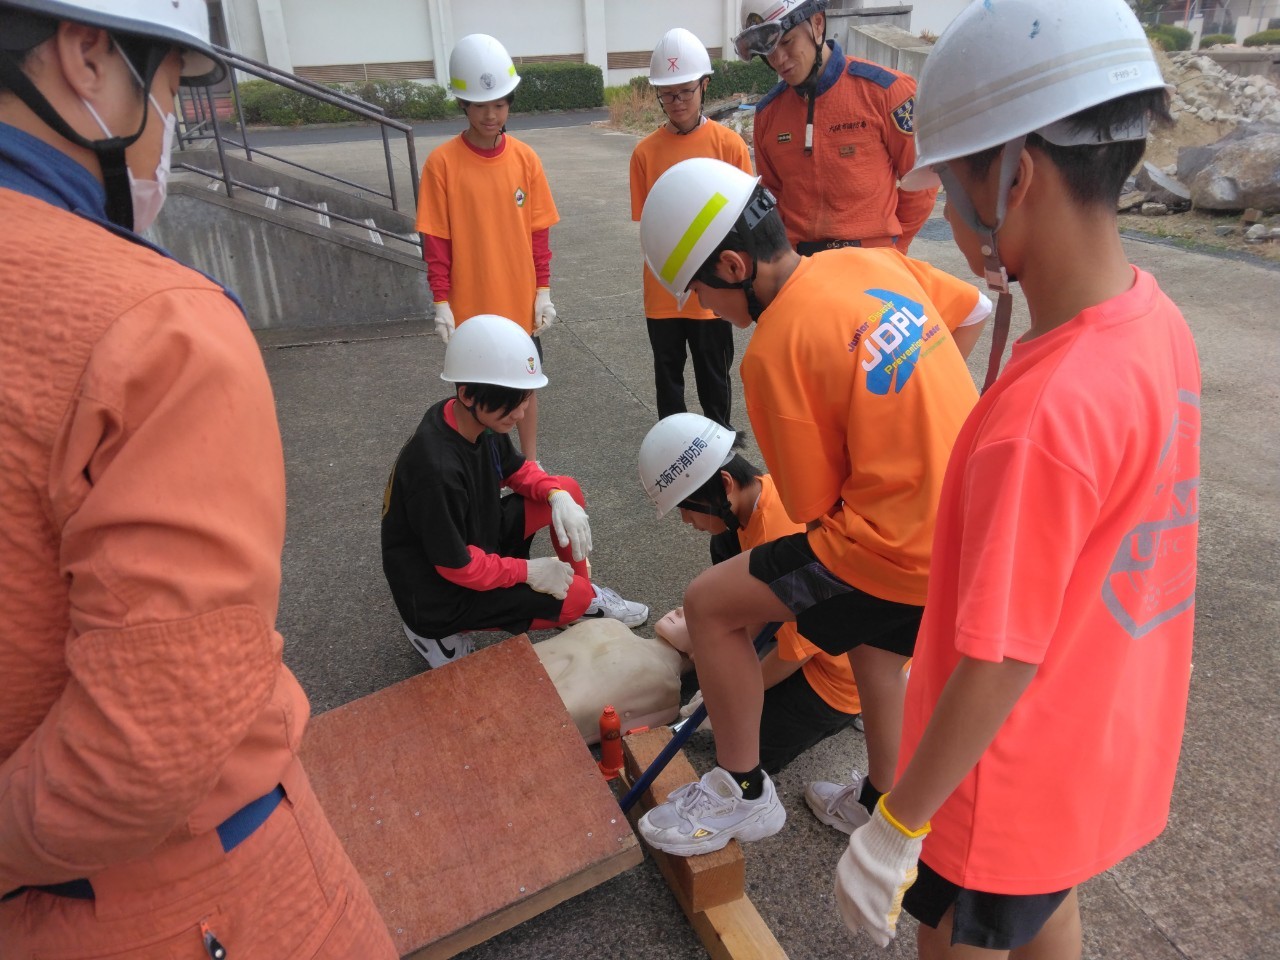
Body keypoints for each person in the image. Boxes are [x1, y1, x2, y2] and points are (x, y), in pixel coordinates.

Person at [0, 2, 397, 956]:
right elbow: (148, 746)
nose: (172, 129)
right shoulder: (155, 327)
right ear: (87, 55)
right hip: (174, 898)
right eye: (173, 90)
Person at [828, 1, 1202, 955]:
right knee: (1046, 905)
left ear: (1015, 177)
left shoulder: (1046, 414)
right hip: (1083, 752)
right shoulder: (1156, 324)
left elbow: (999, 657)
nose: (949, 217)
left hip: (993, 781)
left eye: (952, 186)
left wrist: (897, 822)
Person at [633, 157, 990, 856]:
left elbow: (809, 503)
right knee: (875, 652)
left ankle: (743, 791)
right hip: (965, 526)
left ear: (733, 267)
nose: (706, 308)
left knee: (709, 605)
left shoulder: (772, 353)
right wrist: (908, 416)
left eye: (701, 292)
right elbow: (971, 311)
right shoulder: (871, 261)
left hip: (889, 550)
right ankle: (880, 803)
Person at [381, 314, 648, 669]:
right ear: (467, 393)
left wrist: (556, 495)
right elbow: (458, 567)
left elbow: (517, 470)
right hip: (439, 590)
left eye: (526, 399)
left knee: (565, 489)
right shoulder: (436, 468)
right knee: (573, 598)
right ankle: (435, 633)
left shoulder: (472, 418)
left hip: (473, 542)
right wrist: (529, 572)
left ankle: (579, 598)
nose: (521, 413)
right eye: (513, 402)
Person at [640, 413, 863, 774]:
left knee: (748, 746)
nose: (685, 520)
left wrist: (731, 697)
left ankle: (859, 708)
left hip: (840, 671)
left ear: (725, 484)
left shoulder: (782, 537)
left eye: (686, 507)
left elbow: (796, 655)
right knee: (724, 552)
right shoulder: (759, 500)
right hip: (815, 633)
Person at [416, 33, 559, 463]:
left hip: (519, 303)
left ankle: (530, 463)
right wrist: (441, 301)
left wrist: (543, 291)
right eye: (480, 105)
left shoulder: (525, 159)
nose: (491, 115)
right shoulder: (442, 164)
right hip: (470, 309)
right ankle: (482, 470)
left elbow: (538, 235)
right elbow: (436, 242)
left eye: (499, 104)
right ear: (464, 104)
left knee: (525, 391)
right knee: (475, 401)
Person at [733, 0, 937, 255]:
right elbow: (773, 197)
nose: (779, 60)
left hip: (873, 262)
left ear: (818, 23)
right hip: (804, 267)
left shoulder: (888, 92)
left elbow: (922, 183)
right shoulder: (768, 114)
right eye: (768, 52)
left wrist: (893, 248)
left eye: (787, 42)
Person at [630, 28, 753, 436]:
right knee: (668, 379)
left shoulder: (729, 145)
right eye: (667, 95)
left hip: (715, 290)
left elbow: (743, 220)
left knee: (714, 375)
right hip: (663, 290)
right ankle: (674, 446)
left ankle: (721, 445)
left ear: (705, 85)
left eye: (685, 91)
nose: (677, 102)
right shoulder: (645, 153)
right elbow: (648, 228)